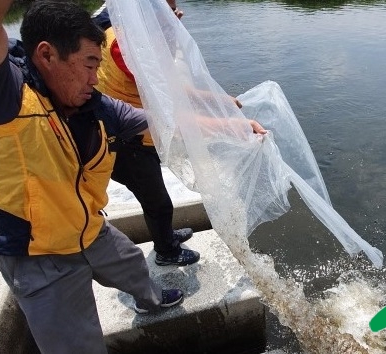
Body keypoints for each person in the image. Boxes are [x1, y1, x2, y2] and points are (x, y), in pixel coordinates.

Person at [0, 1, 183, 352]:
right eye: (90, 64)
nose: (96, 78)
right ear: (46, 55)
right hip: (39, 258)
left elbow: (161, 119)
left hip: (88, 228)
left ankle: (149, 299)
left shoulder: (96, 105)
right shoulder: (3, 97)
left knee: (134, 265)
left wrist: (233, 125)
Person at [92, 2, 265, 266]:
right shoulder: (125, 49)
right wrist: (235, 125)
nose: (173, 16)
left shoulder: (122, 32)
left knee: (155, 198)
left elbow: (172, 91)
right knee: (157, 201)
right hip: (128, 142)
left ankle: (167, 236)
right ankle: (167, 252)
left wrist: (221, 102)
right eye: (165, 11)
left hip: (135, 131)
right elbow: (174, 113)